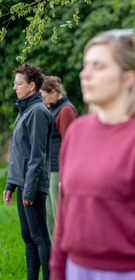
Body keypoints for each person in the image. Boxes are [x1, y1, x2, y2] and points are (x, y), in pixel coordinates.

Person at [49, 29, 135, 280]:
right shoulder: (77, 132)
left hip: (132, 272)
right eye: (85, 65)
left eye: (98, 66)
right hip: (75, 270)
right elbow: (65, 213)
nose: (84, 74)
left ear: (128, 77)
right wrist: (57, 273)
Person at [3, 63, 52, 280]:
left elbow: (36, 155)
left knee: (40, 237)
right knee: (28, 237)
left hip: (32, 186)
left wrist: (29, 190)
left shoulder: (38, 112)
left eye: (18, 84)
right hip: (22, 183)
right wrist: (10, 185)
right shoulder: (24, 111)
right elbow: (18, 152)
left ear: (32, 86)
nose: (15, 88)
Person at [40, 76, 78, 241]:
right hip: (50, 170)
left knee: (59, 219)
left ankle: (67, 261)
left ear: (54, 92)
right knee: (49, 220)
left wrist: (65, 176)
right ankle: (54, 261)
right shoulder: (55, 108)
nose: (44, 101)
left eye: (44, 96)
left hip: (58, 171)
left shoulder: (66, 110)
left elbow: (71, 146)